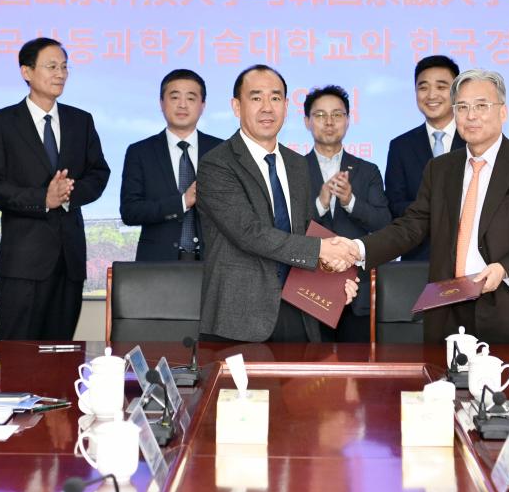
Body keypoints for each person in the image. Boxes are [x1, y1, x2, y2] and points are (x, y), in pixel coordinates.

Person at [352, 69, 509, 343]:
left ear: (503, 112)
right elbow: (411, 227)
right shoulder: (440, 168)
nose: (471, 115)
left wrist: (505, 269)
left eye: (481, 105)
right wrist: (358, 248)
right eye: (462, 107)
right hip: (449, 311)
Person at [197, 65, 358, 343]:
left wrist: (335, 278)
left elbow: (306, 232)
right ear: (236, 106)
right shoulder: (216, 164)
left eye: (275, 98)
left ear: (285, 106)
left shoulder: (297, 164)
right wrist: (322, 249)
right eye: (256, 97)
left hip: (299, 309)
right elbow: (248, 233)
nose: (267, 107)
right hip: (240, 317)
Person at [0, 37, 110, 341]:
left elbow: (99, 173)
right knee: (17, 352)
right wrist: (42, 199)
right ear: (26, 71)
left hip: (69, 261)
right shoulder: (1, 123)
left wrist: (67, 195)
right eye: (52, 66)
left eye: (64, 67)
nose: (60, 74)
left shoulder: (81, 121)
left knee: (60, 352)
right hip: (22, 263)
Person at [303, 85, 391, 342]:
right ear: (307, 122)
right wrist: (320, 203)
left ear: (348, 120)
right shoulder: (294, 168)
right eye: (320, 115)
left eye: (337, 114)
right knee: (309, 364)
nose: (329, 122)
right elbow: (284, 229)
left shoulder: (367, 170)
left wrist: (350, 201)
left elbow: (384, 223)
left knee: (358, 364)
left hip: (357, 292)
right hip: (308, 290)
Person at [120, 69, 223, 261]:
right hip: (158, 265)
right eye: (175, 97)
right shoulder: (140, 152)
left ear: (203, 105)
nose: (182, 104)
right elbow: (130, 212)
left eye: (191, 98)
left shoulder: (222, 151)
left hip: (214, 263)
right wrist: (182, 202)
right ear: (161, 103)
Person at [384, 55, 466, 260]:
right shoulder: (400, 146)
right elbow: (395, 204)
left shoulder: (474, 140)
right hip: (418, 258)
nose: (431, 95)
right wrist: (437, 211)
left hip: (469, 258)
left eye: (441, 86)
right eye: (423, 87)